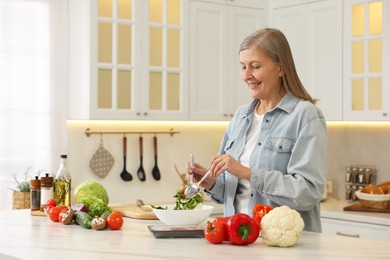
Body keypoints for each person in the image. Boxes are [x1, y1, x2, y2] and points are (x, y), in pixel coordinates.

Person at [187, 28, 327, 232]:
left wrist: (247, 173)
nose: (246, 76)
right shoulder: (241, 116)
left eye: (255, 66)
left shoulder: (305, 115)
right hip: (237, 238)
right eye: (243, 67)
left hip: (283, 247)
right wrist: (211, 183)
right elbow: (237, 191)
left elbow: (308, 193)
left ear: (281, 68)